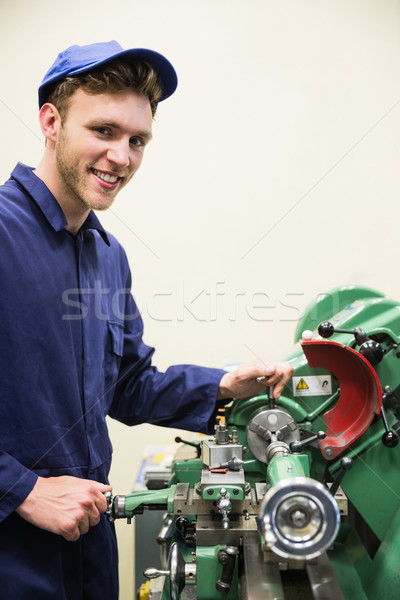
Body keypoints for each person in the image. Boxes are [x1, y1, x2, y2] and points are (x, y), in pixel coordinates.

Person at [0, 41, 293, 598]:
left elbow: (128, 385)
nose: (123, 157)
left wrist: (223, 388)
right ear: (50, 121)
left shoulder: (107, 255)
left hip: (89, 550)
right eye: (104, 131)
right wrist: (22, 492)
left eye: (138, 141)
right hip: (13, 556)